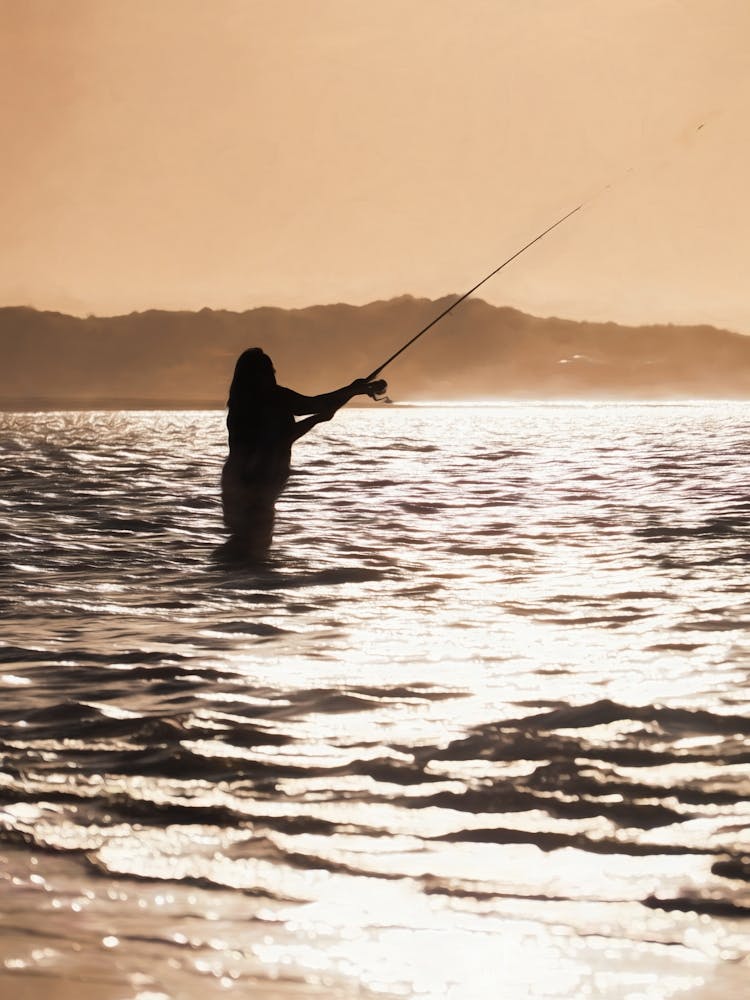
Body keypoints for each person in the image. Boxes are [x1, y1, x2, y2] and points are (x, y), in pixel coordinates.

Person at [220, 348, 386, 553]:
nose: (271, 376)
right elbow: (312, 408)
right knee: (253, 547)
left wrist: (350, 392)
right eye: (269, 372)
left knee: (245, 544)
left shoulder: (241, 403)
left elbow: (304, 418)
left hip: (238, 482)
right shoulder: (272, 397)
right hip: (256, 483)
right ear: (261, 375)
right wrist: (350, 391)